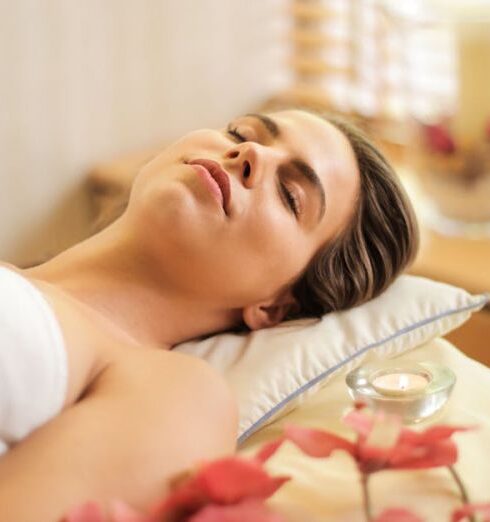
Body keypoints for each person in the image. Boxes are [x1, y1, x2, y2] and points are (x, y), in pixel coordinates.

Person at [0, 109, 418, 521]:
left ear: (275, 307)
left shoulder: (180, 394)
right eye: (239, 133)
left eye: (291, 196)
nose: (251, 152)